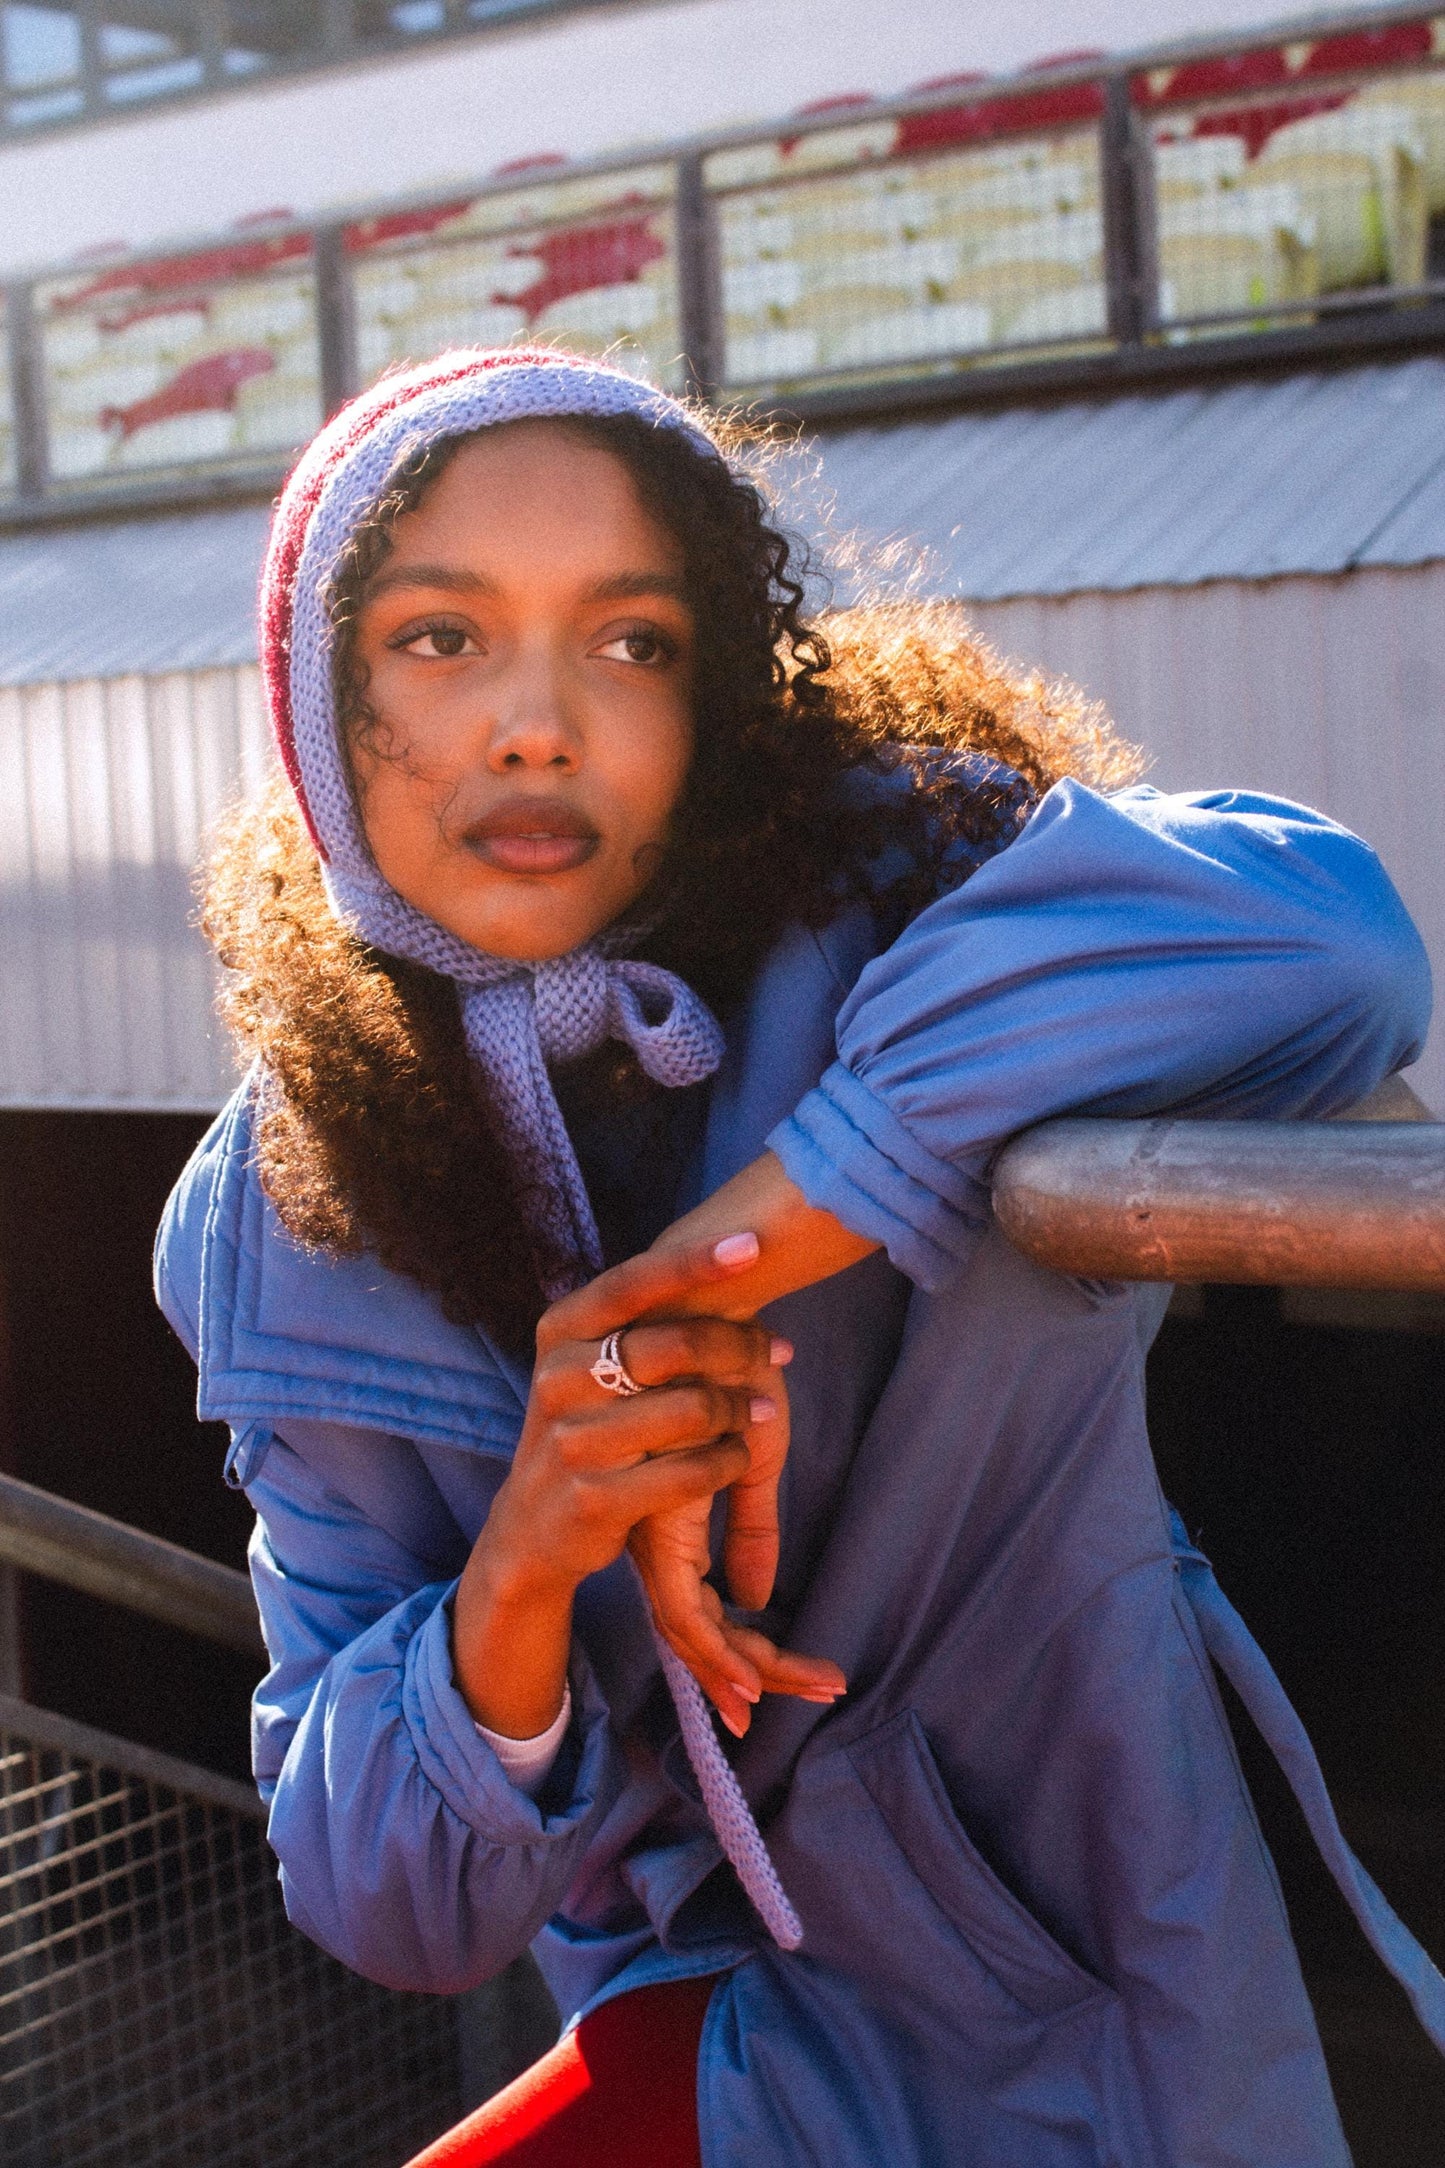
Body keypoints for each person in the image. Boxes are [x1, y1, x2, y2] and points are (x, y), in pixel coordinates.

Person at [155, 346, 1443, 2168]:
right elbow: (385, 1904)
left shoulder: (892, 886)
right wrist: (528, 1557)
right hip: (724, 2037)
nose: (539, 725)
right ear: (313, 690)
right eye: (440, 640)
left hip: (1087, 1987)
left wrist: (743, 1241)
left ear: (717, 694)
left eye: (633, 642)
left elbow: (1336, 944)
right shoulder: (275, 1203)